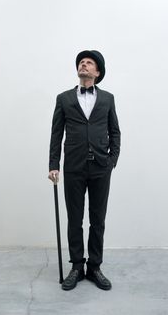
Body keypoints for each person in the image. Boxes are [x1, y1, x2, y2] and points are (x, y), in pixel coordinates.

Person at [48, 50, 121, 291]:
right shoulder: (64, 98)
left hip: (101, 167)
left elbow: (115, 131)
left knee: (98, 219)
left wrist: (113, 160)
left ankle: (95, 267)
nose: (84, 64)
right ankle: (77, 266)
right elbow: (56, 134)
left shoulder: (108, 98)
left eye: (89, 63)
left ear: (97, 72)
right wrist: (53, 165)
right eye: (81, 62)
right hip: (74, 167)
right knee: (75, 219)